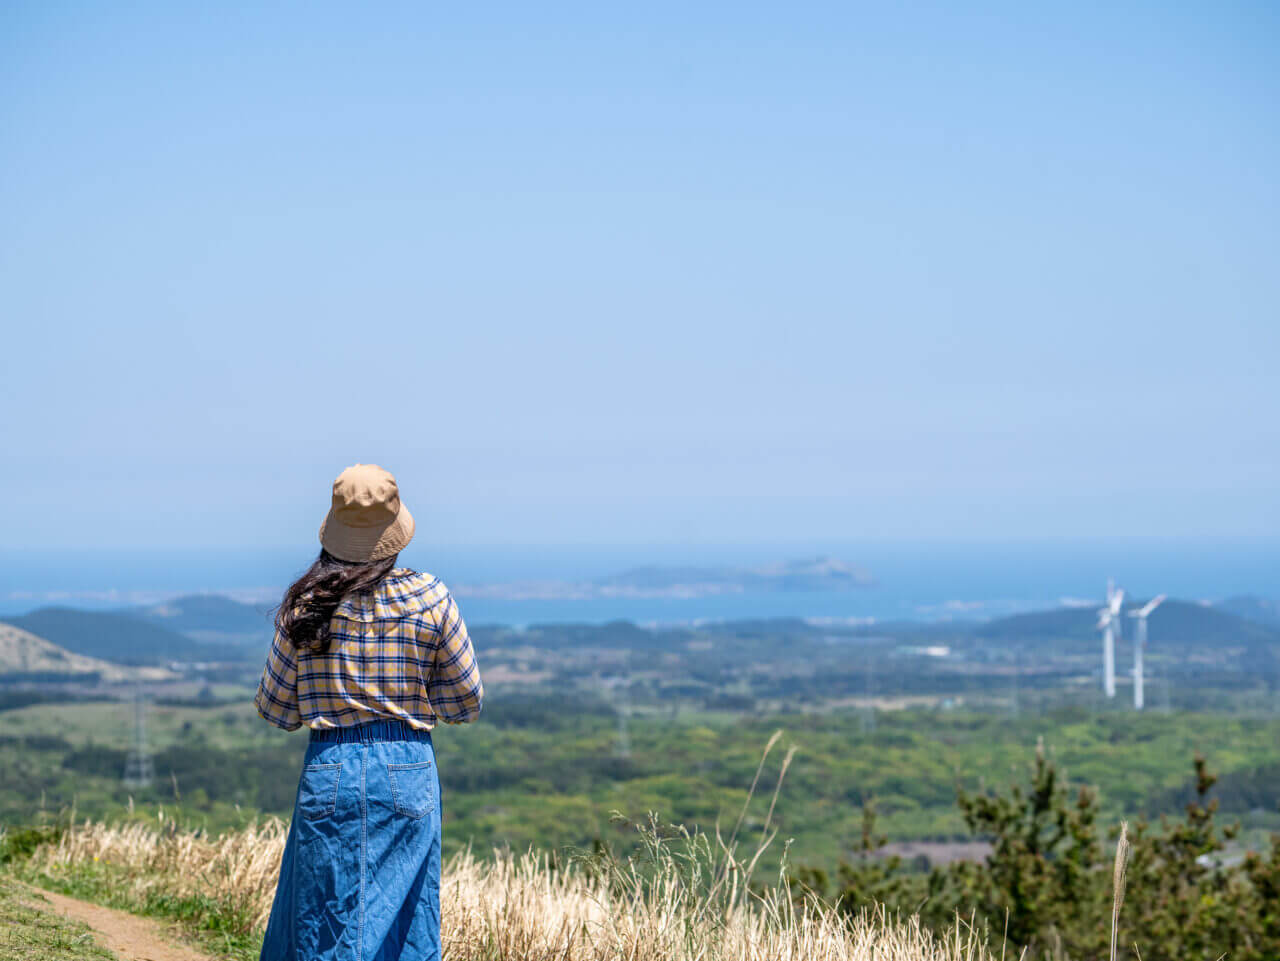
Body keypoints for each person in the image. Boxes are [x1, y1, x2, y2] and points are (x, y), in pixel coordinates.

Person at [254, 463, 483, 961]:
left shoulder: (307, 605)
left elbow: (275, 709)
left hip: (329, 767)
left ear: (334, 532)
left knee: (321, 921)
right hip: (408, 764)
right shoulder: (431, 597)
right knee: (409, 924)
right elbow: (466, 701)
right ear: (396, 531)